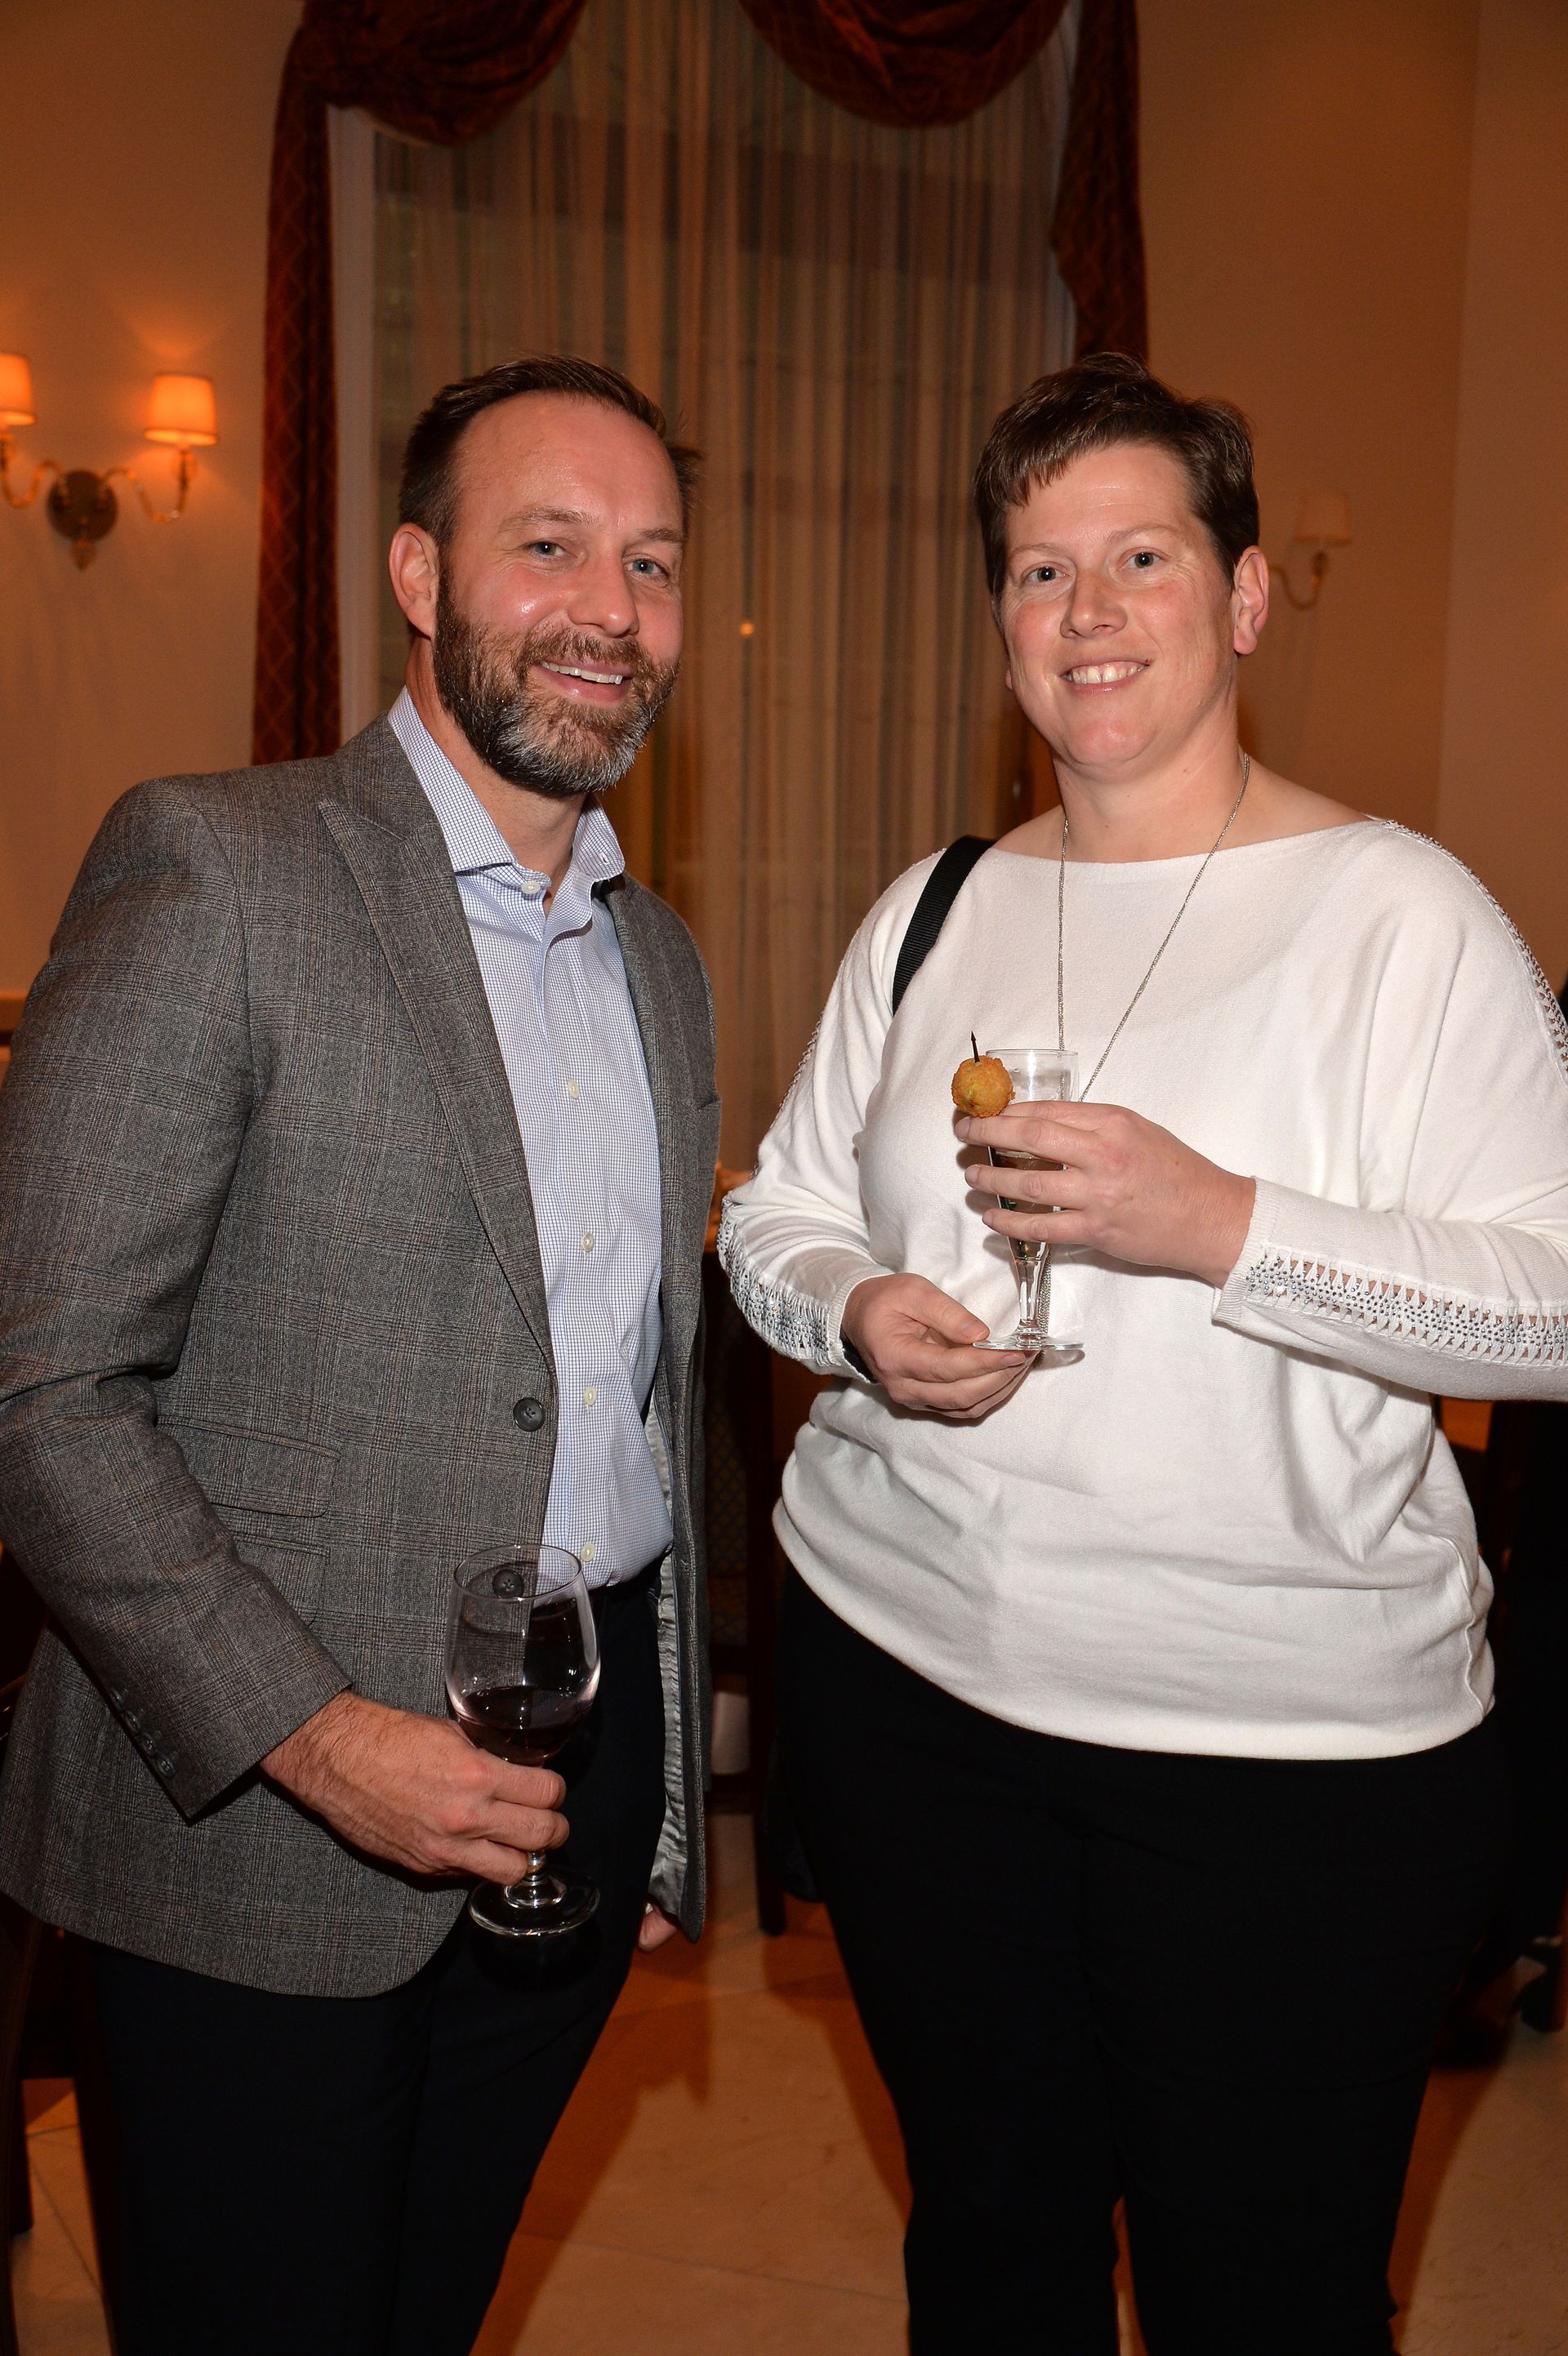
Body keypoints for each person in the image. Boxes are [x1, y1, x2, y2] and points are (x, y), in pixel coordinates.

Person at [719, 354, 1568, 2354]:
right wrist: (852, 1309)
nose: (1086, 612)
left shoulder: (1401, 919)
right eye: (1036, 570)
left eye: (1141, 557)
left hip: (1281, 1766)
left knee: (1258, 2296)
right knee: (992, 2255)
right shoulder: (933, 908)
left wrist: (1223, 1229)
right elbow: (772, 1209)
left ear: (1247, 596)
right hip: (911, 1691)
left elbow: (1550, 1303)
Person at [0, 355, 718, 2356]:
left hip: (566, 1798)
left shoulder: (659, 962)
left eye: (653, 562)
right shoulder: (218, 867)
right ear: (420, 572)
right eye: (549, 544)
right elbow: (42, 1391)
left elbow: (634, 1400)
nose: (609, 606)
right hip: (257, 1826)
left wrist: (654, 1810)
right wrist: (322, 1737)